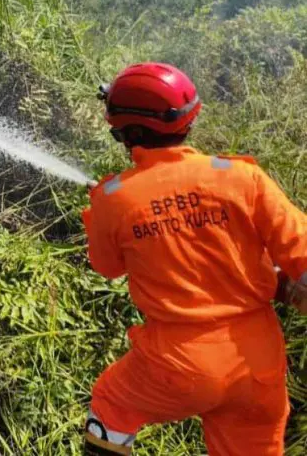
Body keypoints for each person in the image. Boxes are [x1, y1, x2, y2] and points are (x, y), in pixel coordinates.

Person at [81, 62, 307, 456]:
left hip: (177, 363)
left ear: (130, 132)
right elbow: (301, 252)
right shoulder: (242, 178)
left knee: (113, 405)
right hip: (257, 363)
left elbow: (107, 266)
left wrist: (108, 214)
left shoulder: (113, 199)